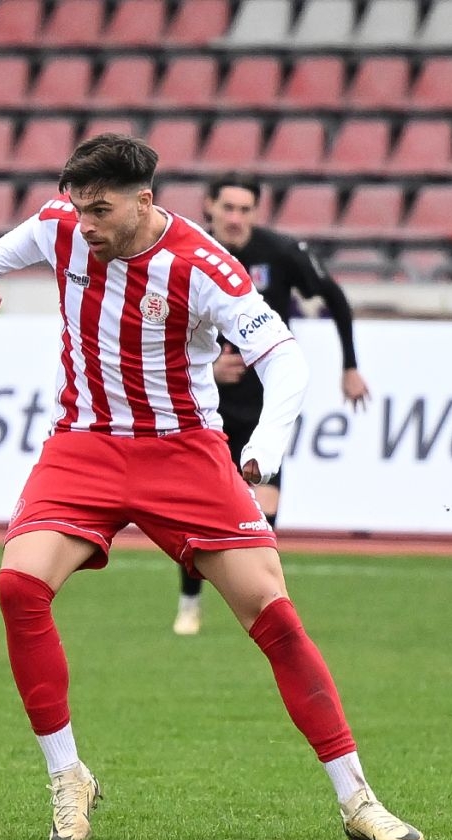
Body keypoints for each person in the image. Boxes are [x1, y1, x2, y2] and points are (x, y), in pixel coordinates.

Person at [0, 134, 422, 840]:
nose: (86, 225)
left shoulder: (202, 265)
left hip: (184, 451)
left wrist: (264, 446)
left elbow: (286, 360)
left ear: (144, 201)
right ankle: (67, 775)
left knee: (273, 614)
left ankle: (357, 798)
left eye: (101, 211)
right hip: (84, 442)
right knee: (19, 586)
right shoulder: (60, 225)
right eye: (79, 209)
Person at [173, 172, 370, 636]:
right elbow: (162, 328)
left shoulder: (279, 252)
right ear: (209, 206)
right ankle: (190, 602)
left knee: (263, 511)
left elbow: (334, 296)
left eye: (245, 209)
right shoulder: (186, 255)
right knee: (197, 511)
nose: (235, 218)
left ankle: (265, 605)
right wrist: (207, 369)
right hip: (204, 406)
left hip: (266, 408)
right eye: (228, 208)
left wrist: (350, 366)